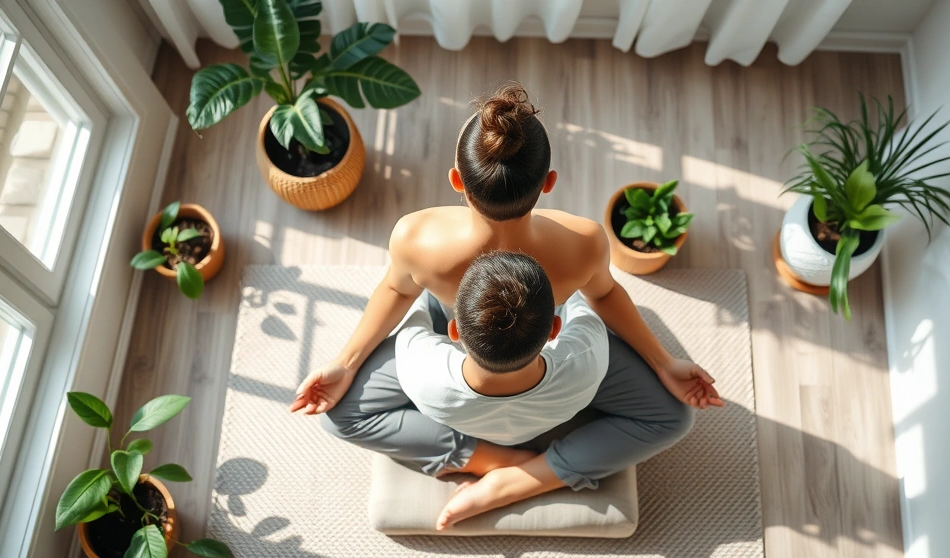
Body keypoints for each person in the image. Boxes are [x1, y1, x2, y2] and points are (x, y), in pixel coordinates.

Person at [291, 82, 724, 529]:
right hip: (534, 338)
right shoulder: (582, 241)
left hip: (500, 334)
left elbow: (397, 291)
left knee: (338, 415)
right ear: (549, 183)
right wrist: (663, 361)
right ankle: (530, 471)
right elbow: (606, 294)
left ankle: (495, 467)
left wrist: (345, 364)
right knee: (672, 417)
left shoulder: (416, 237)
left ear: (457, 179)